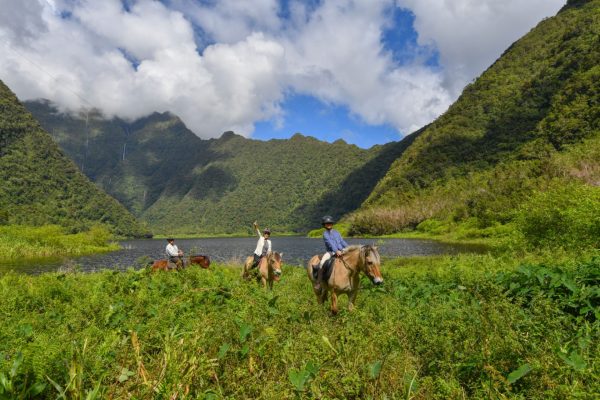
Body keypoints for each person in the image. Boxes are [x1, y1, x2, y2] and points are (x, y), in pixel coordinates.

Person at [313, 215, 348, 289]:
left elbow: (342, 241)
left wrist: (348, 248)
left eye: (330, 223)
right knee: (322, 262)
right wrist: (336, 251)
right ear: (324, 225)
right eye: (327, 223)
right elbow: (330, 244)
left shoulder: (337, 232)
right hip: (331, 252)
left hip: (341, 251)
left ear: (332, 224)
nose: (329, 224)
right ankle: (318, 282)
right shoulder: (325, 234)